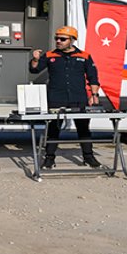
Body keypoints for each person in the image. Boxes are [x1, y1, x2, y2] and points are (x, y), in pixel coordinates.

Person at [29, 26, 102, 170]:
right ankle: (49, 159)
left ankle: (89, 157)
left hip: (78, 98)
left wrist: (94, 95)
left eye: (62, 39)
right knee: (53, 129)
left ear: (72, 40)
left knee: (83, 129)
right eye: (56, 38)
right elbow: (34, 70)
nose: (58, 41)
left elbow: (93, 77)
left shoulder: (84, 56)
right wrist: (35, 59)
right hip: (56, 98)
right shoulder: (50, 55)